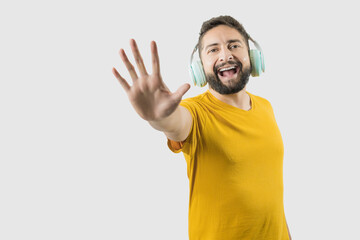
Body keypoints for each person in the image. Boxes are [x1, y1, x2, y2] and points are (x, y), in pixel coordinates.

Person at [112, 15, 292, 240]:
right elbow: (175, 123)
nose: (225, 55)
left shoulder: (266, 107)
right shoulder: (195, 113)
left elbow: (272, 194)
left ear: (252, 56)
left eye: (234, 45)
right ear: (199, 68)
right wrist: (158, 117)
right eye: (213, 50)